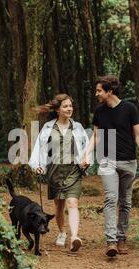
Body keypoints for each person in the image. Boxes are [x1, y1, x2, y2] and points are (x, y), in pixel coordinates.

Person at [81, 75, 139, 257]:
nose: (96, 94)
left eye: (99, 91)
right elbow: (96, 136)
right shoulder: (99, 112)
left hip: (128, 161)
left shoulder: (129, 108)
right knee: (111, 199)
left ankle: (122, 237)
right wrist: (86, 154)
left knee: (125, 202)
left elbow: (138, 134)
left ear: (109, 91)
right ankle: (111, 241)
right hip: (107, 161)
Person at [29, 94, 91, 252]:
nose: (69, 109)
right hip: (54, 171)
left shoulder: (77, 127)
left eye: (70, 106)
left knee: (72, 203)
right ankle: (62, 232)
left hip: (73, 171)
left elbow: (86, 147)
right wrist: (37, 165)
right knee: (59, 205)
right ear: (57, 110)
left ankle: (74, 237)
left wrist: (86, 159)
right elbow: (39, 148)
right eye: (65, 106)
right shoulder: (48, 128)